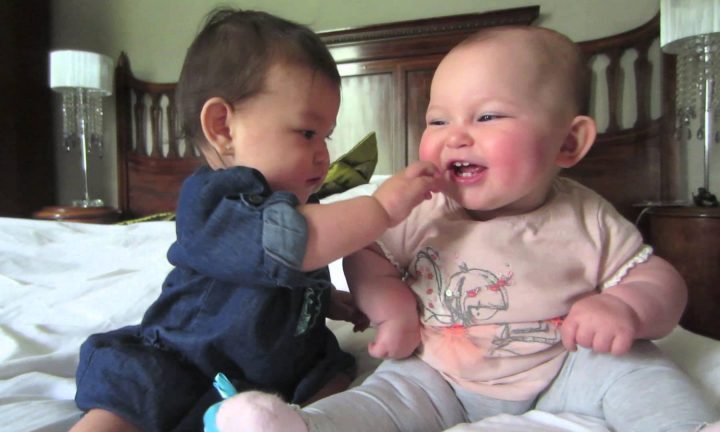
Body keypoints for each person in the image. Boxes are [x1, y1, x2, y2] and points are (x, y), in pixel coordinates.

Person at [209, 25, 720, 432]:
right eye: (437, 121)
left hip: (565, 368)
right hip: (437, 372)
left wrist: (626, 307)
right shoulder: (422, 207)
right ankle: (303, 426)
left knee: (637, 367)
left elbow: (658, 279)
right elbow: (366, 253)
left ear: (568, 143)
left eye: (487, 116)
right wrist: (390, 305)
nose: (455, 138)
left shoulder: (587, 216)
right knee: (382, 397)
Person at [69, 8, 441, 432]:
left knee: (332, 371)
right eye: (307, 133)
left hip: (277, 365)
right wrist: (382, 208)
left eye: (326, 136)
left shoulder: (300, 206)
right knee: (134, 392)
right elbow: (294, 244)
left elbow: (296, 276)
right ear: (223, 127)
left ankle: (296, 421)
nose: (323, 154)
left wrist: (326, 299)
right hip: (189, 359)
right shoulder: (216, 201)